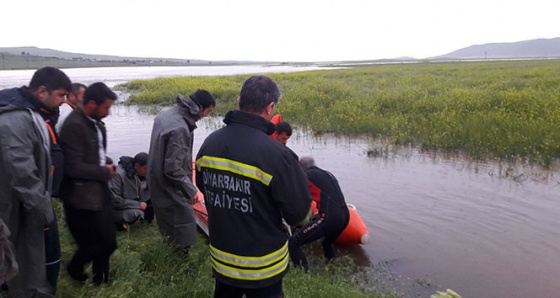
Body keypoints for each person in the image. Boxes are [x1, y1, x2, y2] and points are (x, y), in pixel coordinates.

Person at [195, 75, 312, 298]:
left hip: (223, 261)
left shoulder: (209, 143)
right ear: (270, 107)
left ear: (239, 101)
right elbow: (300, 216)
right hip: (264, 268)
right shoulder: (279, 156)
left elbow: (205, 190)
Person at [0, 66, 71, 296]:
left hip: (31, 205)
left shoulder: (33, 112)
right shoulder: (15, 119)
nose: (64, 101)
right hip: (19, 208)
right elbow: (23, 172)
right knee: (26, 263)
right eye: (61, 95)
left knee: (33, 260)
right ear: (42, 91)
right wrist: (44, 212)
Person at [59, 82, 118, 285]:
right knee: (99, 243)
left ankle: (101, 281)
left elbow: (95, 155)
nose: (108, 112)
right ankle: (75, 266)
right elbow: (73, 168)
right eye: (106, 107)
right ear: (92, 103)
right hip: (80, 198)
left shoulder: (96, 124)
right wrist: (104, 171)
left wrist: (106, 163)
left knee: (108, 241)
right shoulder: (73, 126)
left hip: (99, 190)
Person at [147, 89, 215, 253]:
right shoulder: (180, 128)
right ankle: (179, 259)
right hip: (169, 182)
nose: (207, 115)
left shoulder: (168, 115)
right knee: (182, 220)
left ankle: (172, 249)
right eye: (208, 111)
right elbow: (173, 168)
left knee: (168, 220)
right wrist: (190, 190)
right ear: (199, 107)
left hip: (156, 175)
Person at [288, 156, 350, 271]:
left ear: (301, 168)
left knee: (293, 243)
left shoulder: (307, 176)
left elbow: (298, 200)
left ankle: (303, 274)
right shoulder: (326, 174)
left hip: (330, 218)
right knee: (327, 243)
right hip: (345, 215)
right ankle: (333, 269)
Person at [109, 152, 153, 230]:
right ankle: (115, 226)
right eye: (145, 168)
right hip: (114, 208)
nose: (148, 171)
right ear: (137, 166)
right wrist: (138, 205)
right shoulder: (118, 175)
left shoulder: (143, 173)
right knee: (136, 213)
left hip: (131, 201)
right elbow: (114, 201)